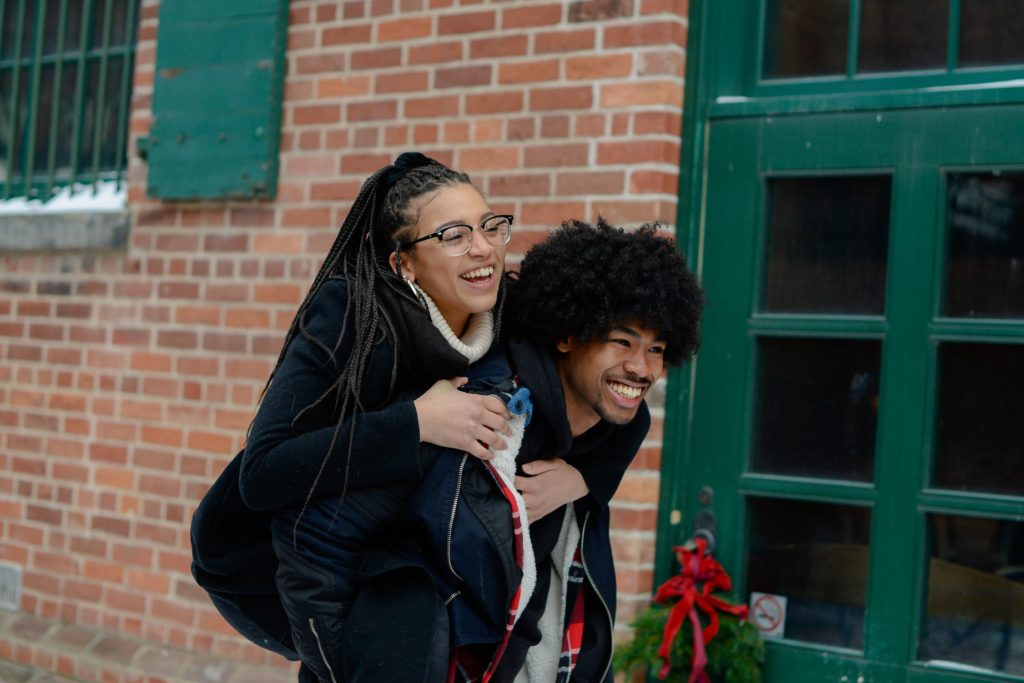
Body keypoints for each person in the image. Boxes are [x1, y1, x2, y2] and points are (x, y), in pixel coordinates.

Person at [191, 153, 590, 683]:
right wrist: (417, 422)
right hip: (269, 556)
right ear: (403, 263)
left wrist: (584, 476)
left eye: (491, 226)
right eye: (453, 234)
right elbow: (262, 472)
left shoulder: (512, 310)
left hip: (402, 537)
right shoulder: (351, 315)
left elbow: (618, 381)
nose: (483, 248)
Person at [344, 218, 705, 682]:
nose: (641, 367)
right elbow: (352, 531)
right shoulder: (480, 418)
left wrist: (584, 478)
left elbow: (634, 423)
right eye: (622, 342)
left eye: (657, 349)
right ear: (567, 334)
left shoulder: (600, 422)